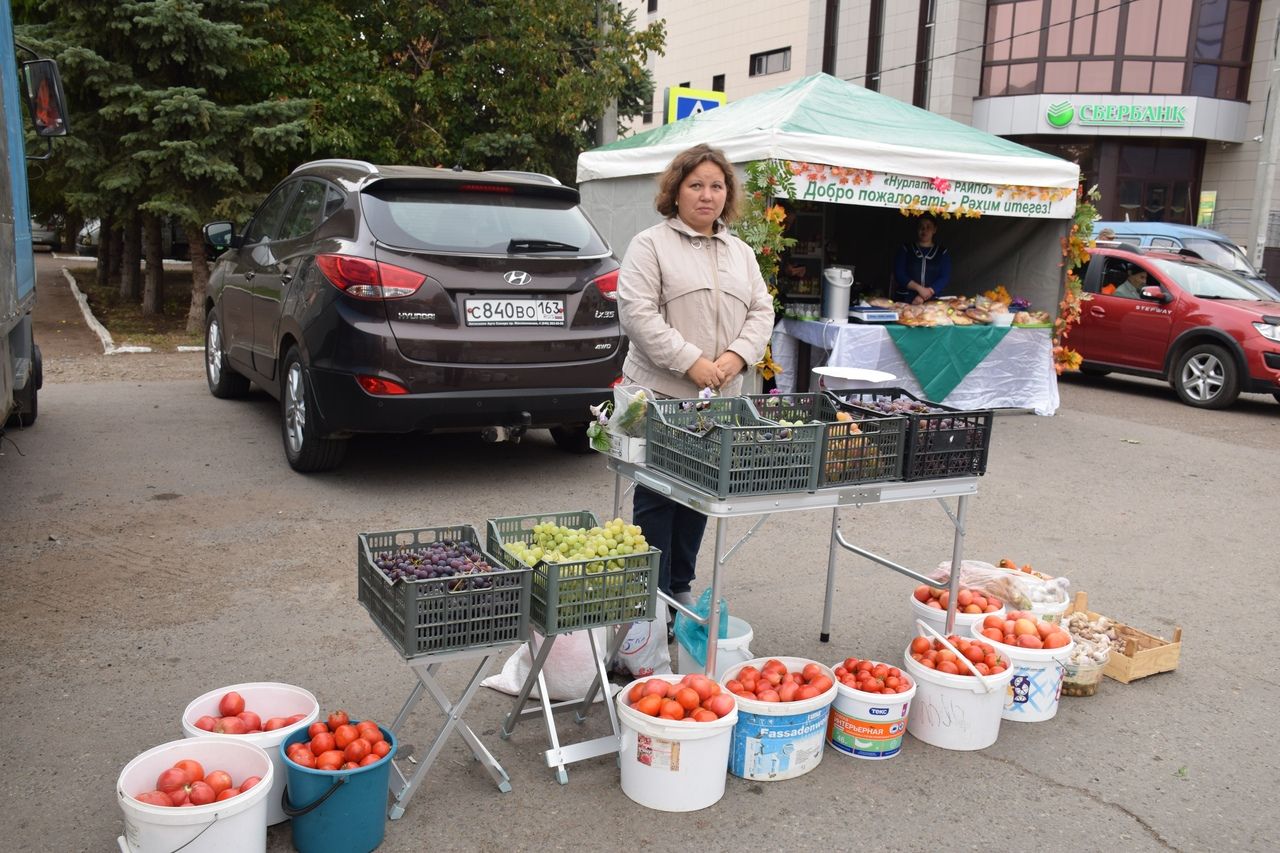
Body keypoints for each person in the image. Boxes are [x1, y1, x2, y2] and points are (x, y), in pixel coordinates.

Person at [616, 143, 775, 613]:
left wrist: (736, 356)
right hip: (662, 394)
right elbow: (637, 313)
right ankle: (652, 594)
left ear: (727, 195)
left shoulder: (741, 253)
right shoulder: (651, 245)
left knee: (701, 491)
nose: (707, 195)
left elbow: (761, 311)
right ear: (677, 190)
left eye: (717, 186)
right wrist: (691, 361)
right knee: (658, 494)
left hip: (720, 397)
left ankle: (679, 586)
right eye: (696, 185)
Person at [892, 213, 951, 304]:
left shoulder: (942, 252)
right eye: (921, 227)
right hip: (906, 298)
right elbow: (900, 274)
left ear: (934, 230)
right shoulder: (906, 249)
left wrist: (927, 293)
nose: (924, 230)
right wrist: (919, 289)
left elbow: (944, 277)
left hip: (932, 300)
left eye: (928, 227)